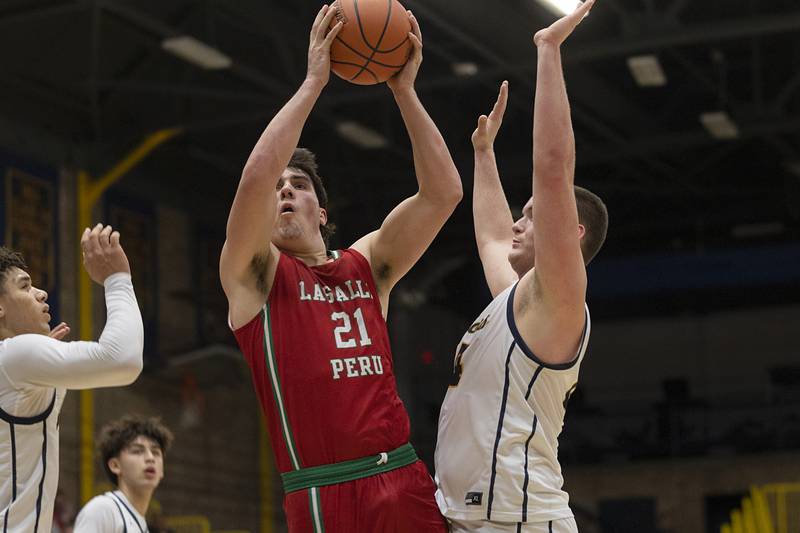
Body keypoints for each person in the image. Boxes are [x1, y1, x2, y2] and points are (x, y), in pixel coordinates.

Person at [219, 4, 461, 532]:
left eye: (299, 185)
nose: (285, 188)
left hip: (401, 474)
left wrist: (404, 91)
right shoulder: (253, 275)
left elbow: (444, 192)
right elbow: (256, 176)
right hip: (321, 491)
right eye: (280, 186)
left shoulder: (367, 265)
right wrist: (313, 83)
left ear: (321, 213)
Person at [434, 2, 608, 532]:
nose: (518, 222)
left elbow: (553, 169)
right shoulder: (516, 301)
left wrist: (548, 52)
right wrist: (483, 155)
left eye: (531, 216)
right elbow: (490, 236)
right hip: (473, 518)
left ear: (569, 235)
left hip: (520, 521)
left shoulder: (559, 296)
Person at [0, 224, 144, 532]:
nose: (40, 292)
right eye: (25, 287)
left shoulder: (14, 364)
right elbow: (124, 360)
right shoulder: (15, 356)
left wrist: (49, 373)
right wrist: (117, 279)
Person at [74, 415, 173, 533]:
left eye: (156, 452)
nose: (150, 458)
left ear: (161, 471)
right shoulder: (103, 510)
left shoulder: (142, 527)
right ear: (115, 465)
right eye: (137, 451)